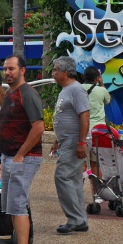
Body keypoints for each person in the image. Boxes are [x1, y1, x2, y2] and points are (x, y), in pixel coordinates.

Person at [0, 55, 44, 244]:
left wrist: (20, 154)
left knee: (17, 206)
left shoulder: (27, 94)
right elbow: (11, 126)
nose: (7, 72)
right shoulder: (9, 94)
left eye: (12, 69)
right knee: (10, 206)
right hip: (9, 157)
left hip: (24, 159)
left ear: (23, 70)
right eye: (5, 69)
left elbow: (38, 128)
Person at [50, 57, 90, 234]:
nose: (53, 72)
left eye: (56, 69)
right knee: (73, 180)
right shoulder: (66, 90)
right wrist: (57, 140)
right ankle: (80, 220)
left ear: (65, 72)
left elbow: (84, 115)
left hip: (75, 141)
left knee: (62, 176)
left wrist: (81, 142)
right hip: (67, 141)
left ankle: (74, 219)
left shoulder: (76, 89)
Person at [83, 67, 110, 179]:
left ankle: (78, 194)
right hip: (98, 131)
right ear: (97, 78)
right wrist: (102, 84)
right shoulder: (101, 90)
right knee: (96, 164)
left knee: (81, 164)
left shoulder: (78, 88)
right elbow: (108, 100)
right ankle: (97, 192)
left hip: (82, 130)